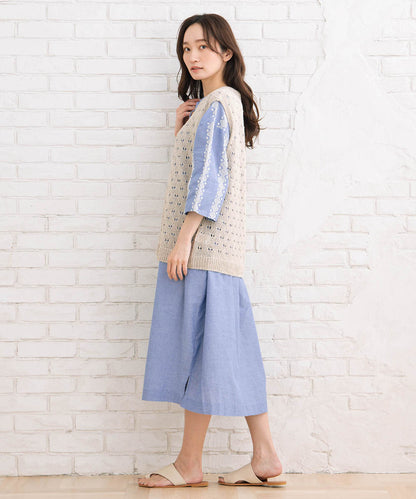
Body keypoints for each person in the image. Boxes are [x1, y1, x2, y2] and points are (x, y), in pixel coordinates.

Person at [138, 13, 286, 489]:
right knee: (231, 351)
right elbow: (201, 169)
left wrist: (183, 239)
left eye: (203, 46)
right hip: (221, 254)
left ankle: (189, 464)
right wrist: (181, 131)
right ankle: (264, 457)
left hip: (201, 252)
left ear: (226, 51)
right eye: (186, 48)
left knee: (200, 352)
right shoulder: (220, 105)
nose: (193, 56)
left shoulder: (218, 105)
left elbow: (208, 180)